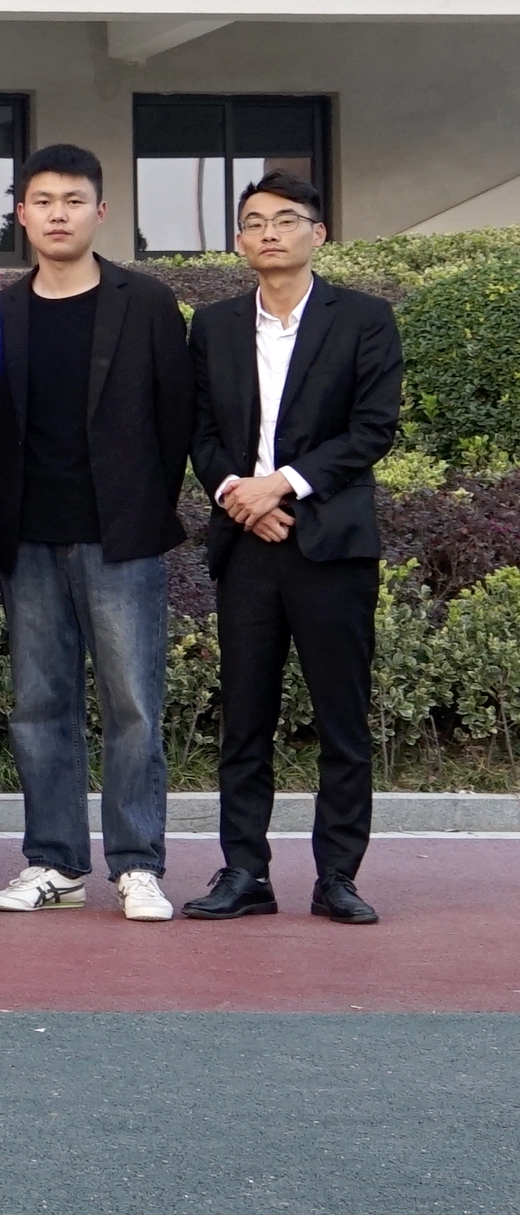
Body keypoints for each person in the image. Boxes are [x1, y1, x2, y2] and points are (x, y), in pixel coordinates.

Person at [0, 145, 192, 923]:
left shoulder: (146, 302)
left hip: (120, 537)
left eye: (73, 201)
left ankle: (138, 865)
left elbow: (177, 418)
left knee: (134, 705)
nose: (58, 214)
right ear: (22, 214)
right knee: (40, 705)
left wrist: (143, 508)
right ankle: (55, 862)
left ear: (100, 212)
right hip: (30, 534)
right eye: (43, 201)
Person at [183, 172, 401, 926]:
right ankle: (245, 871)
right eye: (254, 221)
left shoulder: (364, 318)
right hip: (248, 545)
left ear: (318, 232)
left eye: (285, 218)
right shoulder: (214, 325)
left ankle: (337, 875)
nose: (269, 232)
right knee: (244, 718)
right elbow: (199, 430)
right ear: (239, 240)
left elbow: (373, 428)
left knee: (342, 717)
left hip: (331, 544)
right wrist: (237, 495)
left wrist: (281, 486)